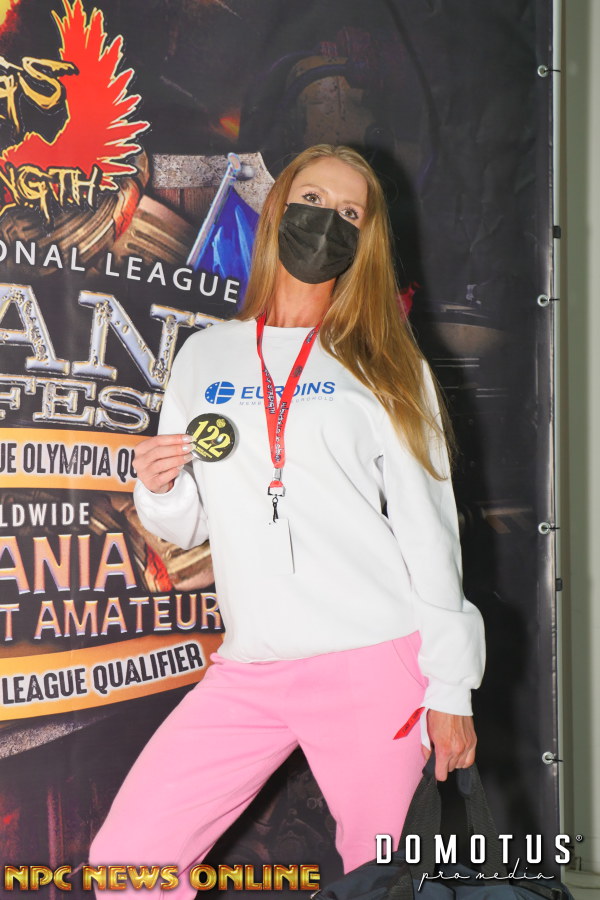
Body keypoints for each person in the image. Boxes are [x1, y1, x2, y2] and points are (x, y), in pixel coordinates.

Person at [90, 144, 485, 897]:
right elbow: (185, 527)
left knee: (384, 883)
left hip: (375, 663)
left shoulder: (386, 362)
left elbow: (431, 534)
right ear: (276, 210)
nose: (325, 220)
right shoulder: (206, 356)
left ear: (365, 239)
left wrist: (452, 688)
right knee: (129, 861)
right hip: (252, 665)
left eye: (348, 212)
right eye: (311, 200)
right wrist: (160, 486)